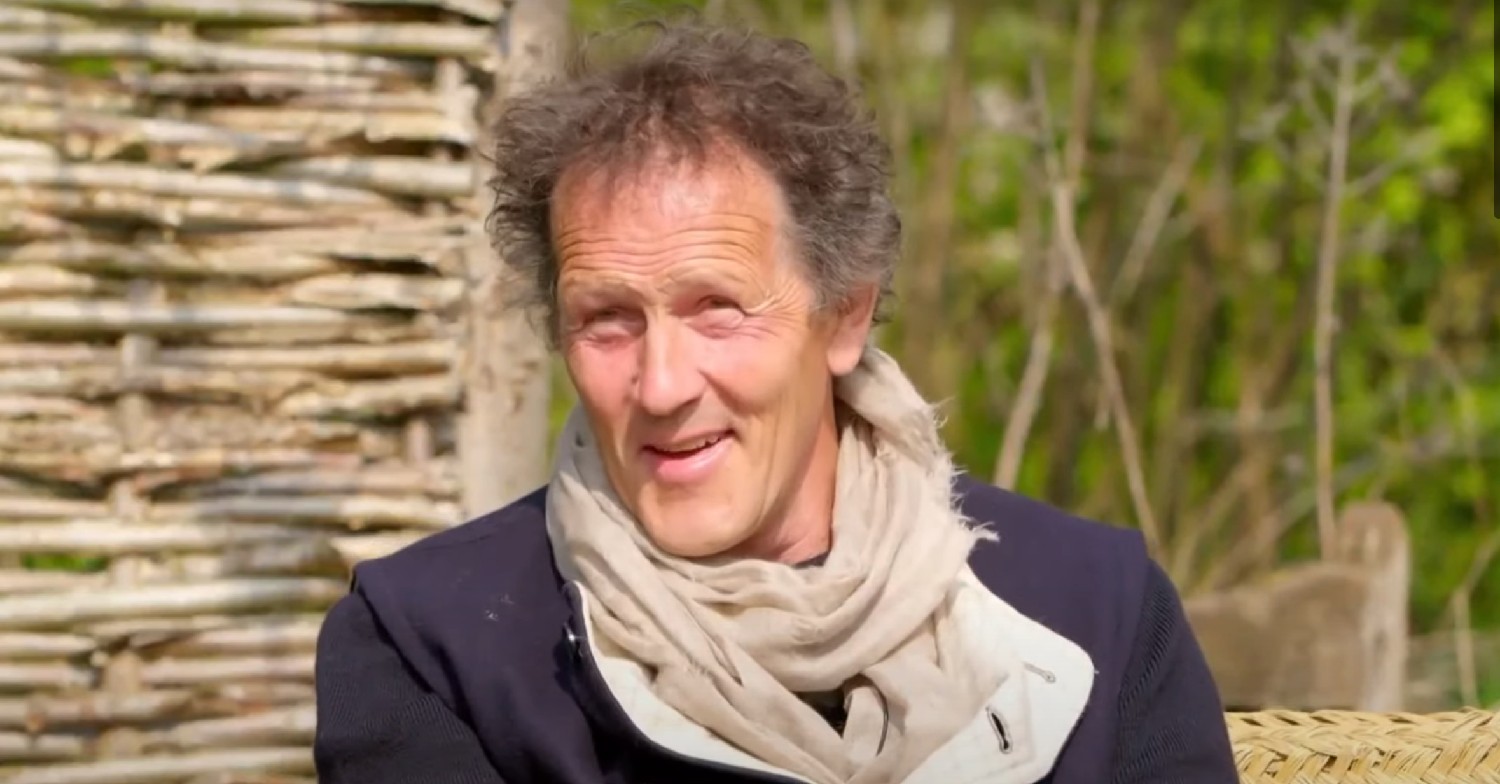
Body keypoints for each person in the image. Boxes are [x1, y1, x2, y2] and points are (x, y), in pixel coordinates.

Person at [312, 18, 1239, 784]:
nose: (663, 384)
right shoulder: (429, 651)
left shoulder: (1097, 615)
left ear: (844, 316)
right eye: (606, 320)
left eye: (717, 309)